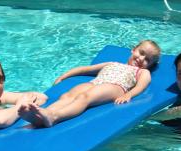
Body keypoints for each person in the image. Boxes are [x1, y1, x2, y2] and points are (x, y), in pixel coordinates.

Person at [19, 40, 161, 127]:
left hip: (116, 87)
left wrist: (129, 95)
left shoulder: (143, 72)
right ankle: (44, 115)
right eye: (141, 52)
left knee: (84, 97)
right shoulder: (112, 63)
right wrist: (64, 76)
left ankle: (55, 117)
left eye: (148, 60)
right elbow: (85, 69)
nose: (142, 59)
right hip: (96, 82)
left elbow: (141, 85)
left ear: (151, 65)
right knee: (67, 96)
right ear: (133, 49)